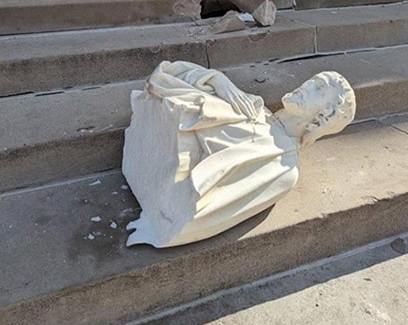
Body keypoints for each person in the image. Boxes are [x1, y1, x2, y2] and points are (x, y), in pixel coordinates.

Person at [122, 61, 355, 248]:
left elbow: (202, 214)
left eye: (319, 89)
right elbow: (163, 77)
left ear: (323, 117)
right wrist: (216, 79)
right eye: (312, 81)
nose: (305, 86)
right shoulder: (255, 107)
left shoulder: (282, 168)